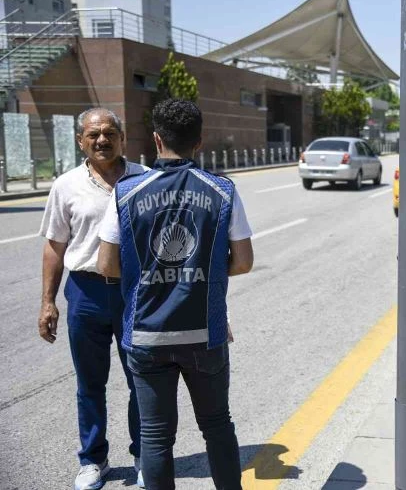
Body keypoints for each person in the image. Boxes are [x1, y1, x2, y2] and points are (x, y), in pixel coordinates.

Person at [97, 98, 253, 490]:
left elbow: (106, 265)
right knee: (217, 425)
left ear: (155, 139)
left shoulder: (126, 192)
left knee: (154, 435)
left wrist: (152, 274)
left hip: (147, 334)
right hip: (205, 333)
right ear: (199, 142)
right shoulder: (222, 190)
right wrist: (198, 274)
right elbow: (245, 261)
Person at [38, 108, 147, 490]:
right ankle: (93, 460)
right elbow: (55, 247)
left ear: (123, 136)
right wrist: (48, 301)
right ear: (80, 141)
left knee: (143, 380)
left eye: (109, 132)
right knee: (89, 382)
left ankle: (144, 457)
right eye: (93, 134)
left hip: (136, 293)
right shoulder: (66, 186)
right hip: (85, 292)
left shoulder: (146, 180)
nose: (102, 139)